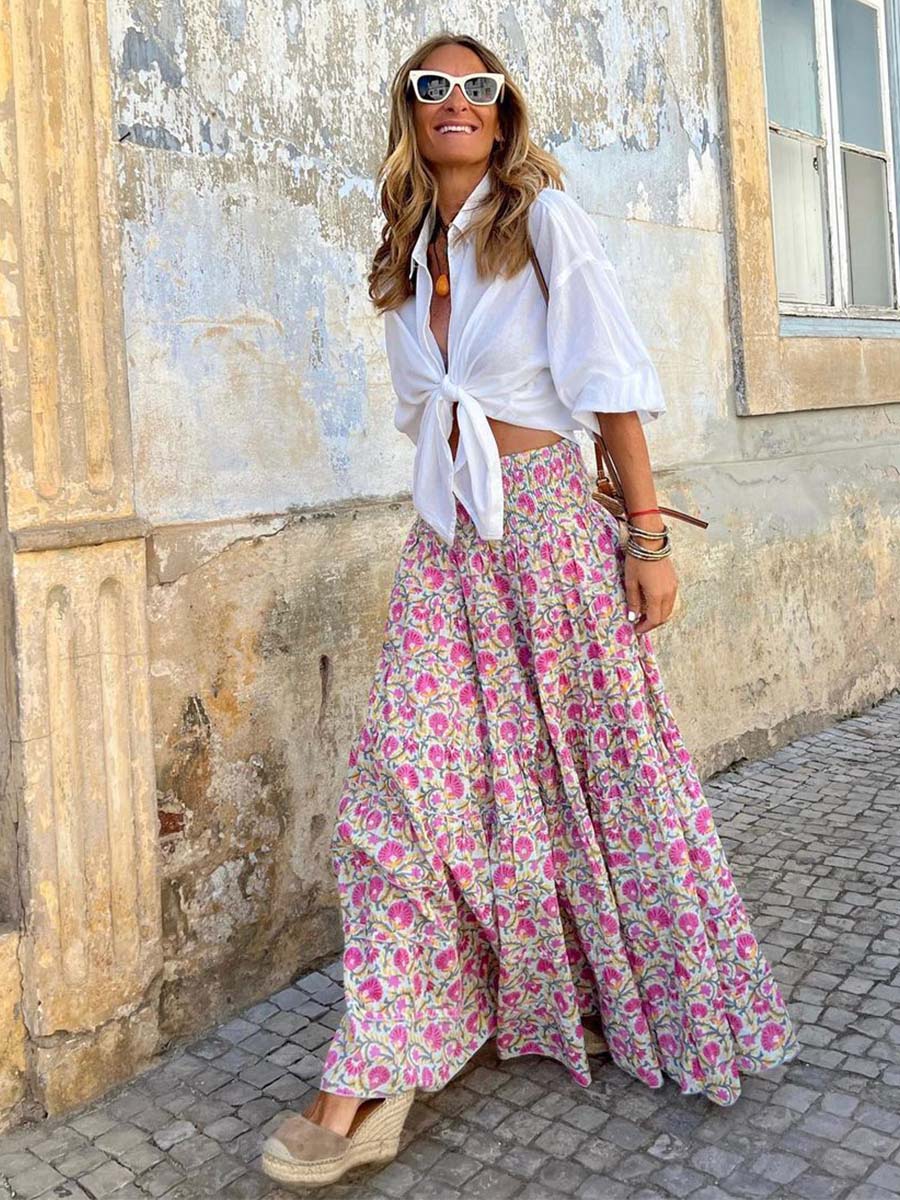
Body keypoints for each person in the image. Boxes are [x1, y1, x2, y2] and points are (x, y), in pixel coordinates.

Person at [260, 30, 801, 1191]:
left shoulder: (544, 220)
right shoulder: (405, 250)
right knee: (402, 789)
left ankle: (600, 991)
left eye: (480, 87)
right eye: (433, 86)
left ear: (504, 113)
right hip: (449, 543)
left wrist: (646, 537)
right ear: (410, 112)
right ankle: (374, 1065)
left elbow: (609, 382)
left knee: (596, 776)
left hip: (552, 528)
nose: (456, 100)